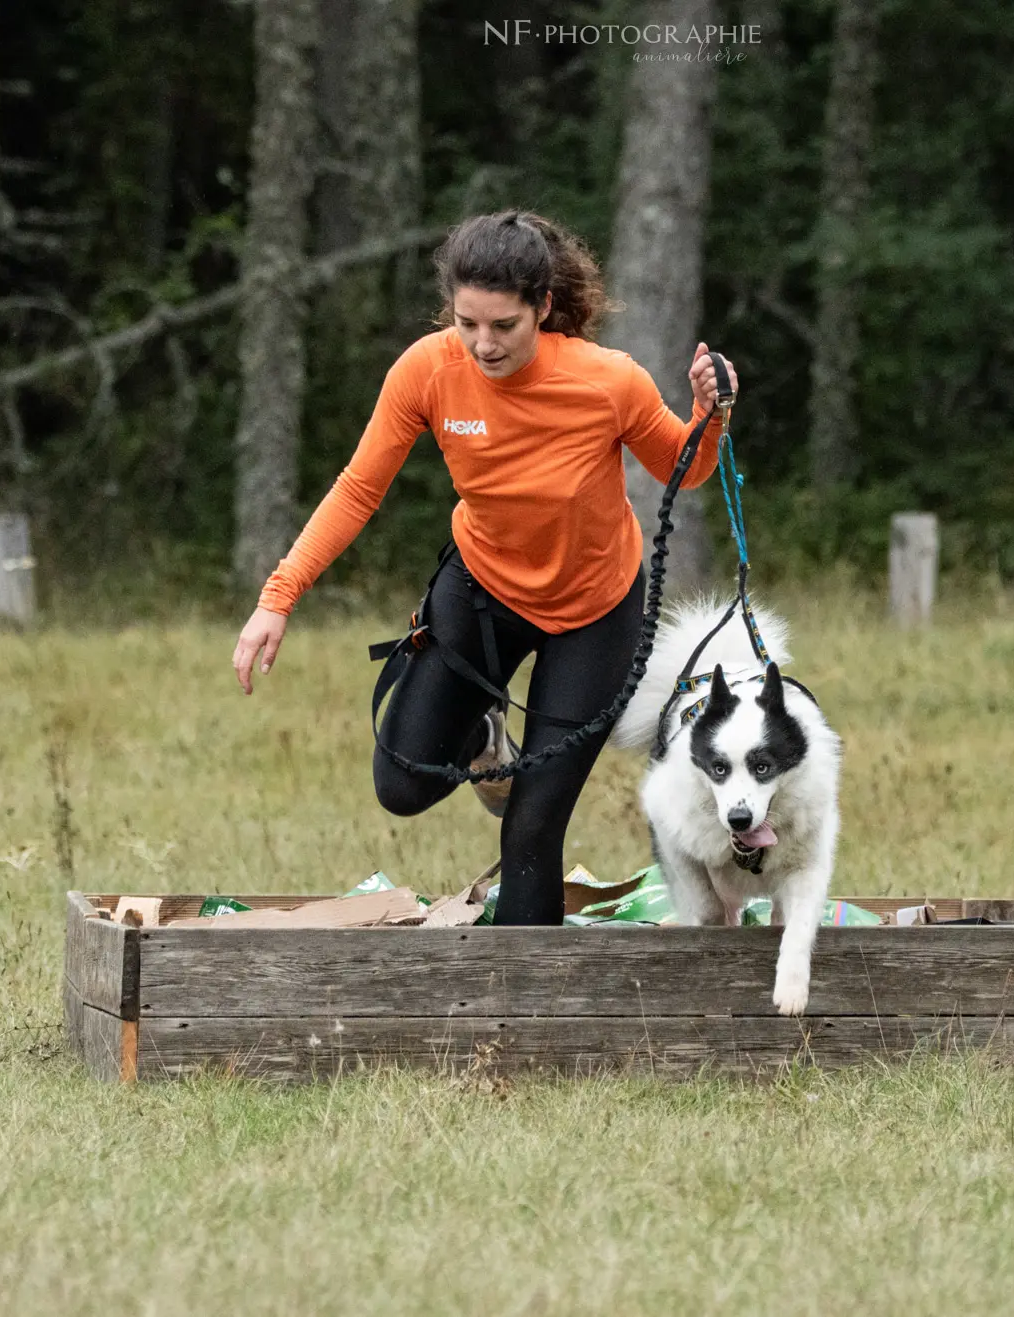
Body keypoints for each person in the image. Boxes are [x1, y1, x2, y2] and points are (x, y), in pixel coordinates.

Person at [230, 209, 740, 926]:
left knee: (532, 828)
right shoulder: (428, 369)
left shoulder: (607, 382)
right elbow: (358, 487)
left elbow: (684, 469)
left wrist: (709, 414)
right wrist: (277, 598)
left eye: (503, 325)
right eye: (468, 322)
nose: (483, 343)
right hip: (482, 592)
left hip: (594, 612)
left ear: (544, 308)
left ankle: (516, 1022)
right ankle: (480, 734)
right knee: (401, 784)